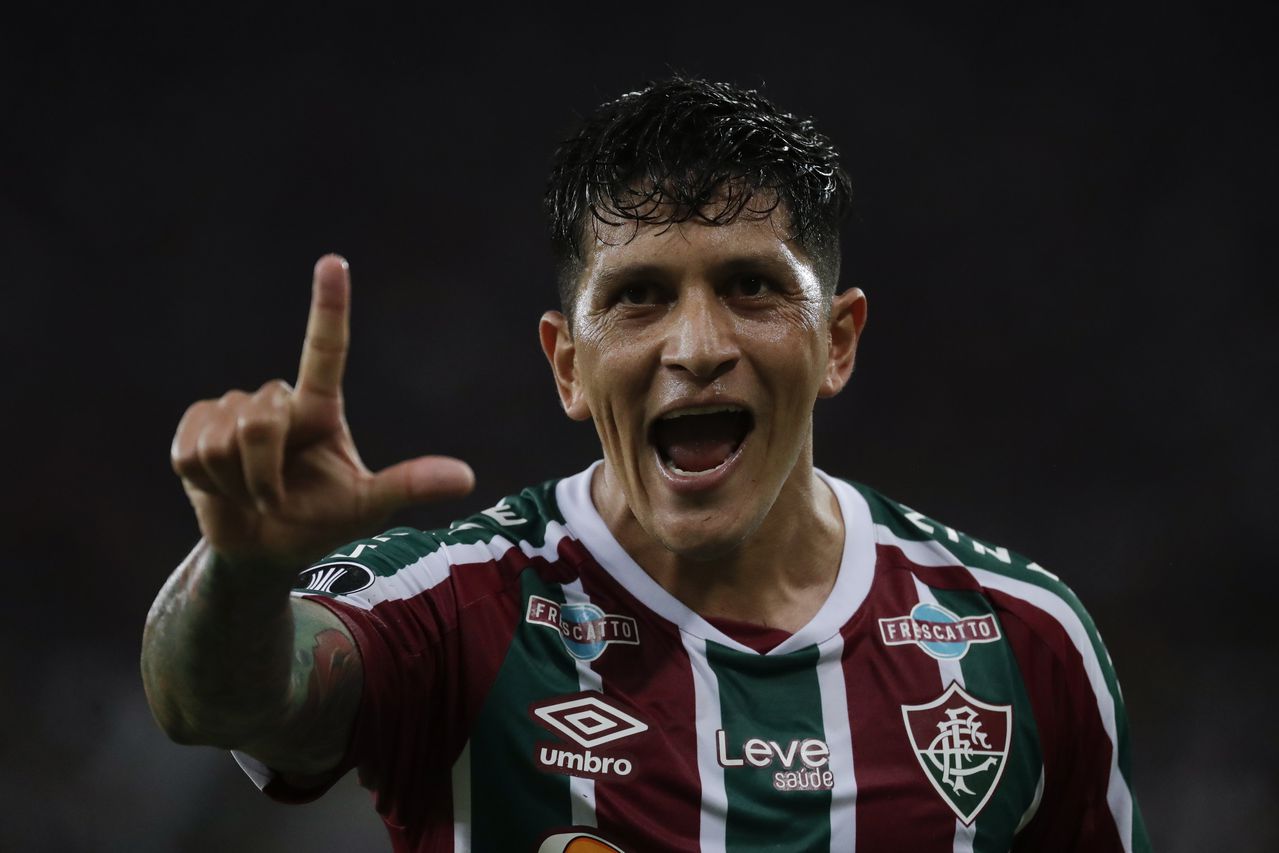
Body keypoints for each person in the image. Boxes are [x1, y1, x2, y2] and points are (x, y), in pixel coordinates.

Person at [141, 78, 1151, 853]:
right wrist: (242, 569)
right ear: (567, 365)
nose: (697, 344)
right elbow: (214, 701)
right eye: (639, 296)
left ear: (836, 341)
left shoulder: (1022, 641)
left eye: (751, 285)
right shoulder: (462, 608)